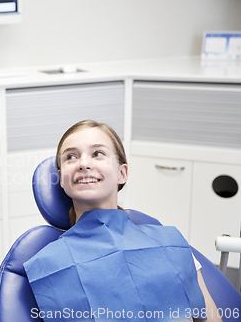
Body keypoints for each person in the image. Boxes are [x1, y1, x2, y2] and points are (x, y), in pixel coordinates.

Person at [23, 120, 222, 322]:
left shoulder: (171, 244)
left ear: (122, 173)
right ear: (62, 179)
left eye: (97, 153)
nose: (83, 163)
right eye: (71, 157)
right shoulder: (48, 266)